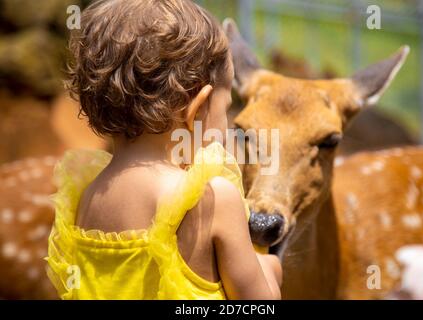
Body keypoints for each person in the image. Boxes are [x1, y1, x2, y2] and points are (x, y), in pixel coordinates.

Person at [46, 0, 282, 300]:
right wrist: (270, 267)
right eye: (226, 108)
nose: (227, 123)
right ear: (196, 109)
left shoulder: (87, 197)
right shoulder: (209, 199)